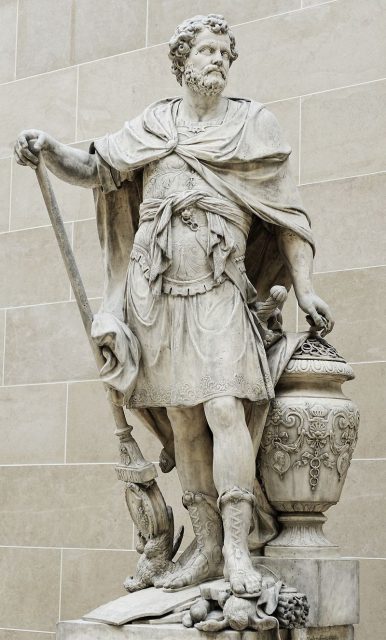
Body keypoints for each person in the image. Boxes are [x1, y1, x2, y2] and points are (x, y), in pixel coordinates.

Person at [14, 14, 333, 597]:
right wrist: (50, 150)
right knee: (184, 422)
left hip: (220, 291)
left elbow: (288, 217)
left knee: (223, 410)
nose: (219, 61)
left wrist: (305, 287)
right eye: (209, 50)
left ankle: (238, 550)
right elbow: (96, 167)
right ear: (183, 61)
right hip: (157, 297)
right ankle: (207, 547)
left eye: (225, 53)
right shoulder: (155, 125)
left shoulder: (253, 126)